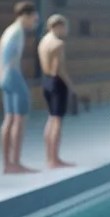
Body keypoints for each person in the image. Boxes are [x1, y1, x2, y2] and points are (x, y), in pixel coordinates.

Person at [0, 1, 40, 175]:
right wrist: (10, 74)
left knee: (9, 119)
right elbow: (7, 55)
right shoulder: (16, 32)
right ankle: (15, 162)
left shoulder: (8, 31)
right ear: (25, 16)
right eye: (33, 19)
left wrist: (1, 77)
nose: (34, 22)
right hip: (13, 76)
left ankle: (7, 164)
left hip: (5, 77)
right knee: (19, 119)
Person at [38, 14, 75, 170]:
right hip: (57, 82)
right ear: (58, 27)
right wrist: (70, 85)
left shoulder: (43, 42)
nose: (66, 30)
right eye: (65, 27)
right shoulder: (58, 44)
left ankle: (49, 157)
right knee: (58, 121)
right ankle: (55, 159)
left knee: (51, 119)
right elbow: (59, 68)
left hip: (46, 81)